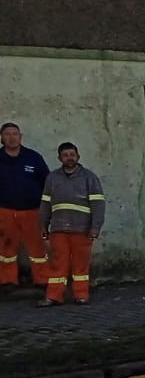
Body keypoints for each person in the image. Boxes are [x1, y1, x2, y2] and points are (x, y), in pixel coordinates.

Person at [38, 143, 105, 307]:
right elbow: (45, 205)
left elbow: (98, 205)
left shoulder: (90, 177)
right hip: (58, 229)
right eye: (66, 155)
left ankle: (81, 295)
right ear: (60, 158)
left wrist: (95, 227)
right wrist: (43, 227)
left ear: (78, 156)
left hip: (82, 229)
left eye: (72, 154)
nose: (70, 157)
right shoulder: (52, 178)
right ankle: (54, 296)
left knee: (80, 264)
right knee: (57, 264)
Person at [0, 122, 52, 289]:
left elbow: (47, 181)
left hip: (32, 211)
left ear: (20, 137)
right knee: (6, 247)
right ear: (2, 138)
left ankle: (42, 280)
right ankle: (8, 281)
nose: (11, 137)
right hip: (5, 211)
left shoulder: (33, 157)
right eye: (7, 134)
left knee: (37, 246)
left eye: (15, 134)